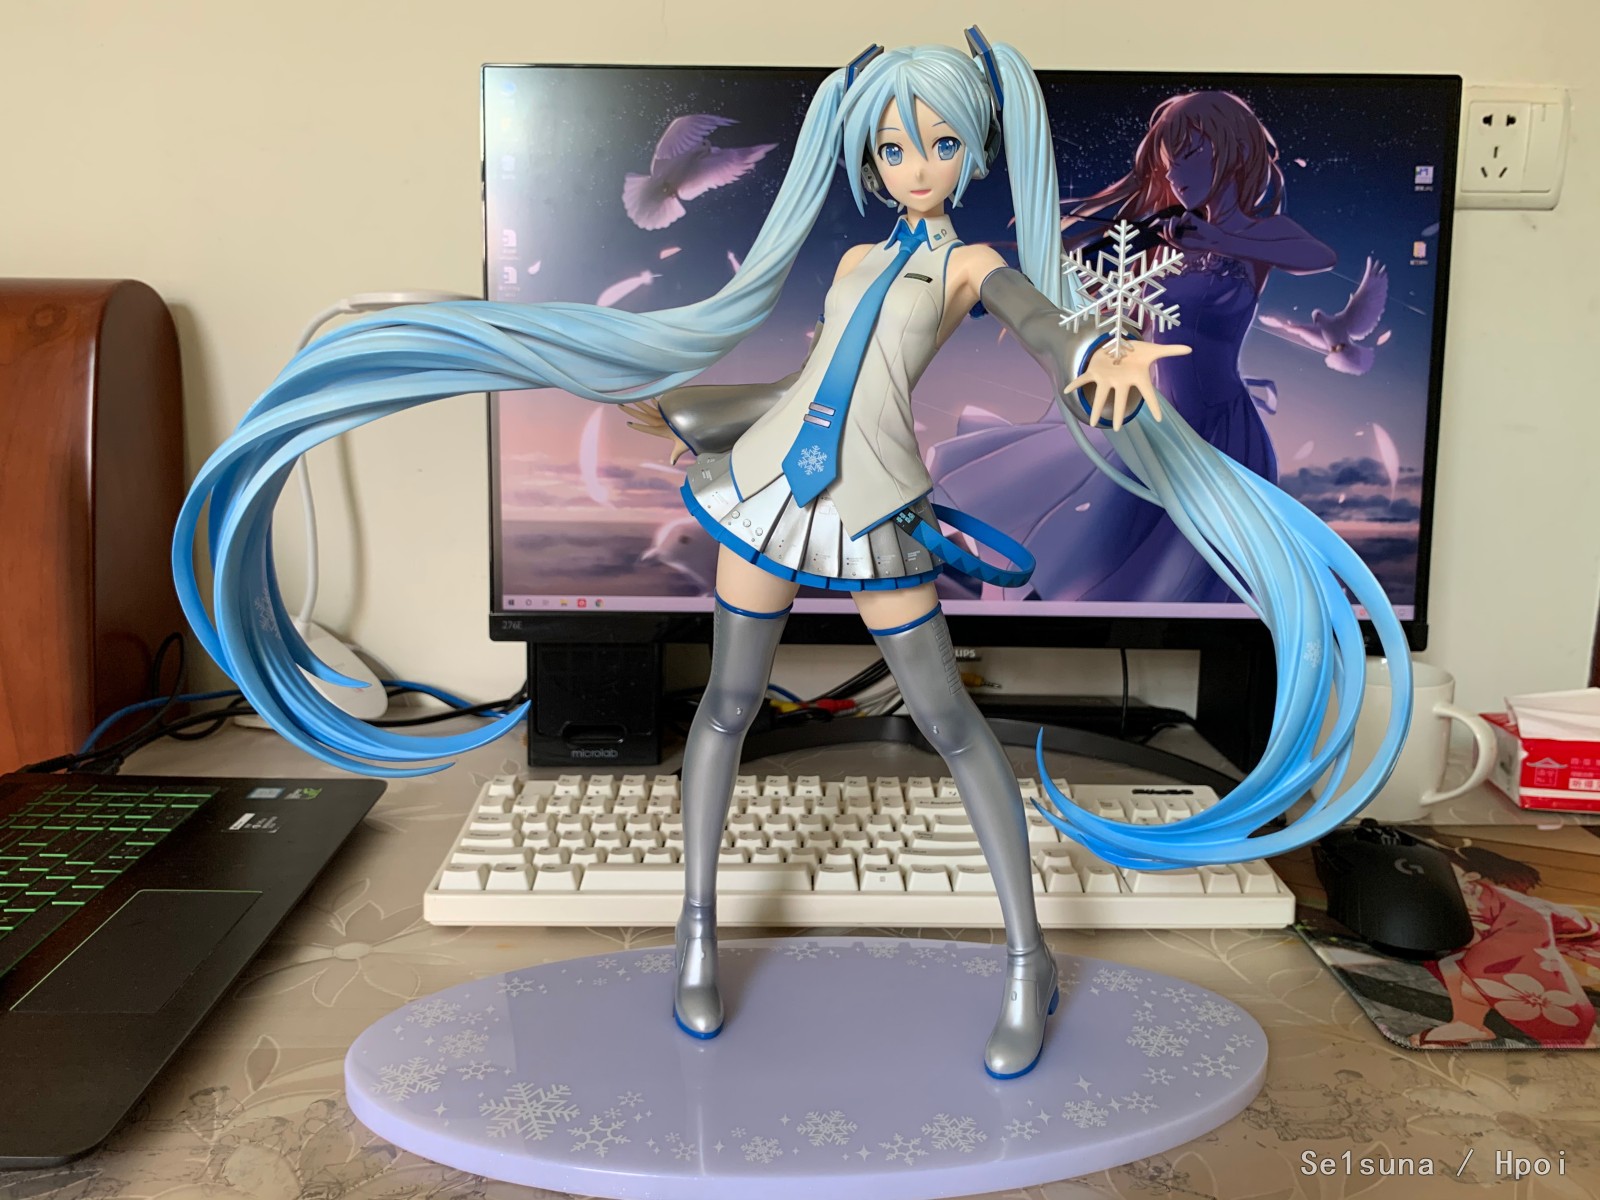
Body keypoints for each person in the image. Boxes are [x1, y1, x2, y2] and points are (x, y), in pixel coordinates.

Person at [173, 30, 1411, 1083]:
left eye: (938, 142)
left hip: (872, 509)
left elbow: (1045, 329)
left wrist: (1094, 356)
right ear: (867, 157)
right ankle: (696, 932)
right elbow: (816, 382)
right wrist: (693, 410)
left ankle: (1026, 957)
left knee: (948, 723)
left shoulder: (970, 264)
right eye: (894, 146)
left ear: (973, 150)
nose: (916, 164)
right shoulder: (861, 260)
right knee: (722, 708)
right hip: (768, 493)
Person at [930, 90, 1335, 602]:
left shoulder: (1259, 235)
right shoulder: (1166, 234)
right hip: (1157, 425)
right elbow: (1099, 282)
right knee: (1099, 557)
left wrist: (1218, 241)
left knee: (1213, 582)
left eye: (1188, 155)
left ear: (1230, 148)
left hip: (1223, 433)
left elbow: (1317, 255)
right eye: (1168, 165)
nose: (1176, 176)